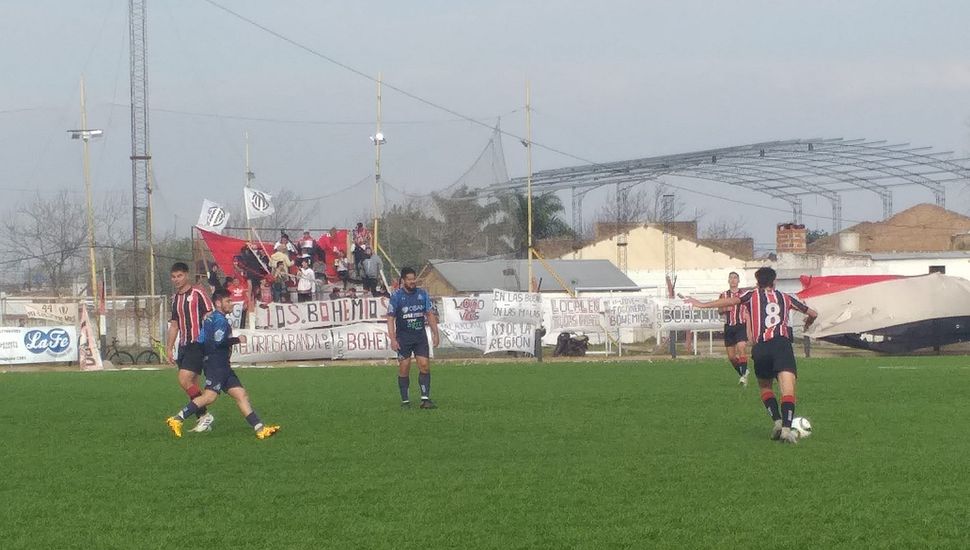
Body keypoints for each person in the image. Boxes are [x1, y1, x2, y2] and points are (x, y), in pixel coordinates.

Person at [686, 267, 817, 444]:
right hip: (781, 345)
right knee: (788, 389)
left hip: (761, 348)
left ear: (757, 283)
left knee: (765, 387)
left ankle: (777, 422)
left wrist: (701, 304)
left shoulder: (751, 296)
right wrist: (808, 324)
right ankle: (786, 429)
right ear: (774, 281)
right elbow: (813, 313)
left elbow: (729, 302)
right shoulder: (786, 298)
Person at [165, 289, 279, 440]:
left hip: (222, 365)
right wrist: (238, 340)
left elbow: (200, 340)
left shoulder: (210, 319)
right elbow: (219, 342)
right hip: (217, 365)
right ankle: (177, 419)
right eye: (228, 301)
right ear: (218, 303)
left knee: (241, 395)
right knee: (209, 397)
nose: (231, 304)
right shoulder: (220, 320)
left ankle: (260, 429)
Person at [166, 262, 216, 432]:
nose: (176, 279)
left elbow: (210, 315)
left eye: (179, 276)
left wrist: (209, 340)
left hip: (197, 344)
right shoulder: (175, 299)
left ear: (186, 275)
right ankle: (203, 418)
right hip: (183, 345)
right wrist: (169, 347)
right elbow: (174, 325)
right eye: (173, 276)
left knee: (184, 379)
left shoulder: (197, 292)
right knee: (192, 382)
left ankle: (204, 416)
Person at [387, 267, 440, 409]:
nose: (412, 281)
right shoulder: (396, 296)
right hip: (403, 338)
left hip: (420, 337)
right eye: (409, 279)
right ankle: (405, 401)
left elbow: (429, 314)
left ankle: (425, 399)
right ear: (403, 280)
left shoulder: (422, 294)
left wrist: (436, 333)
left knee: (424, 365)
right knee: (404, 367)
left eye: (414, 279)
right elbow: (390, 318)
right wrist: (392, 339)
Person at [719, 271, 750, 387]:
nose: (733, 280)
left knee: (742, 347)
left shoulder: (744, 294)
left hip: (741, 325)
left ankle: (743, 377)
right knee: (732, 357)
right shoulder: (723, 295)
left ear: (738, 280)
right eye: (731, 278)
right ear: (728, 280)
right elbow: (719, 310)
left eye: (735, 278)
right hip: (729, 326)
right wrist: (725, 308)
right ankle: (743, 373)